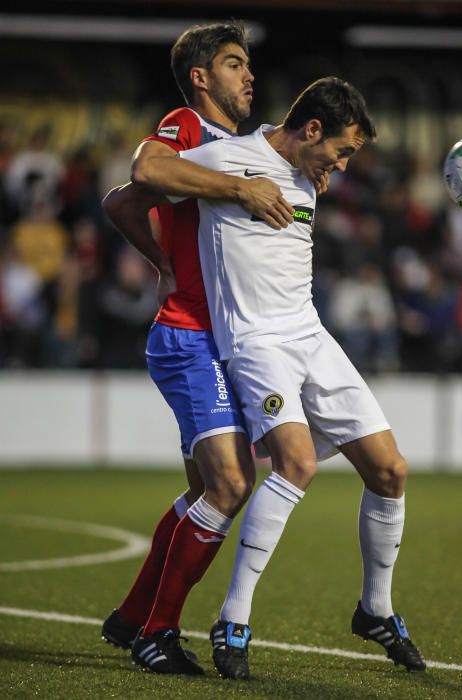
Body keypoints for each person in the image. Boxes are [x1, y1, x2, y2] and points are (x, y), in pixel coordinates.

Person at [116, 76, 426, 680]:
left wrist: (312, 174)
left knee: (391, 470)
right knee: (296, 464)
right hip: (255, 342)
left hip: (310, 333)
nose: (342, 163)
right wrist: (165, 261)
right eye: (341, 150)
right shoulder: (229, 156)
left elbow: (297, 200)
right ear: (312, 128)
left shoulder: (307, 172)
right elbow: (137, 182)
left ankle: (375, 610)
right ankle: (234, 616)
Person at [100, 21, 296, 677]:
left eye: (248, 64)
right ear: (202, 77)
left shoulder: (240, 144)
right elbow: (139, 176)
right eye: (235, 63)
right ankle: (157, 634)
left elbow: (121, 205)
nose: (249, 75)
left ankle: (132, 617)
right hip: (188, 334)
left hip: (225, 340)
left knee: (206, 494)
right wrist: (168, 262)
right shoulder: (188, 125)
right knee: (232, 482)